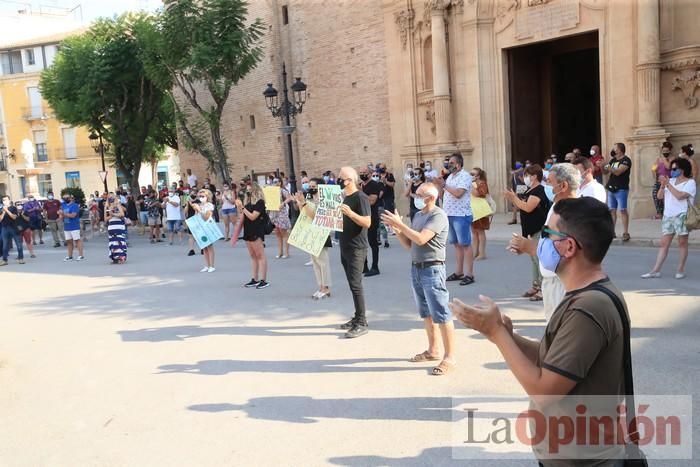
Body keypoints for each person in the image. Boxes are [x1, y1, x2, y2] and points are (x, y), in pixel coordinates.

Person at [450, 197, 628, 466]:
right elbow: (554, 362)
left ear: (568, 246)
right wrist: (507, 335)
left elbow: (545, 392)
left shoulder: (588, 308)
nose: (540, 242)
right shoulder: (586, 296)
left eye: (547, 234)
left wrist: (498, 334)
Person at [382, 182, 456, 376]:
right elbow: (410, 244)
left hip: (433, 269)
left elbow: (422, 239)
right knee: (426, 313)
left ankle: (449, 357)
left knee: (441, 313)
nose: (415, 196)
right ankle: (433, 350)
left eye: (419, 194)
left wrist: (400, 224)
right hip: (416, 268)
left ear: (431, 197)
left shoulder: (437, 215)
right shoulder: (419, 215)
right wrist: (397, 230)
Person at [508, 163, 580, 321]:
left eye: (550, 181)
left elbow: (561, 251)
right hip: (552, 281)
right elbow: (548, 239)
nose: (546, 184)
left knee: (558, 331)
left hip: (560, 282)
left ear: (563, 185)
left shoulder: (570, 212)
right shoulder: (558, 206)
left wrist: (532, 247)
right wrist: (526, 247)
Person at [642, 157, 696, 280]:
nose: (672, 171)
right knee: (664, 243)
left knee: (682, 243)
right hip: (668, 216)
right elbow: (659, 197)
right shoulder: (670, 181)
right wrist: (662, 186)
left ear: (683, 169)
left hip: (682, 215)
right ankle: (655, 270)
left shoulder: (690, 183)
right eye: (671, 169)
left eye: (675, 169)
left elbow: (680, 196)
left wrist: (668, 185)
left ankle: (680, 269)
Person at [503, 164, 550, 301]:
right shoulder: (530, 190)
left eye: (527, 175)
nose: (525, 178)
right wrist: (515, 198)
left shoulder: (539, 191)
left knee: (538, 259)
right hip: (531, 230)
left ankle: (543, 288)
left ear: (535, 176)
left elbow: (528, 208)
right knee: (533, 259)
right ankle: (536, 285)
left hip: (539, 229)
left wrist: (513, 198)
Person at [337, 166, 372, 338]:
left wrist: (350, 214)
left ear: (350, 180)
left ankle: (362, 321)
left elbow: (367, 222)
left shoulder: (361, 197)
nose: (339, 180)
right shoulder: (345, 197)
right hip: (345, 244)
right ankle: (357, 316)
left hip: (357, 247)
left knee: (356, 285)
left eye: (341, 178)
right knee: (352, 284)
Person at [435, 152, 475, 286]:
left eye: (451, 163)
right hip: (449, 214)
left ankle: (469, 274)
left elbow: (458, 193)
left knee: (465, 244)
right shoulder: (450, 177)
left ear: (458, 164)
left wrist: (444, 185)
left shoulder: (465, 176)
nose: (448, 165)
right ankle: (459, 272)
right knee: (456, 244)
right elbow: (441, 196)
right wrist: (439, 185)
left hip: (461, 215)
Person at [294, 179, 333, 299]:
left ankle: (326, 287)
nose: (310, 188)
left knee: (323, 262)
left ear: (320, 186)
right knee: (315, 262)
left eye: (313, 186)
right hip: (311, 232)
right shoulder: (309, 198)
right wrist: (300, 202)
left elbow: (316, 216)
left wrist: (304, 204)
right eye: (309, 186)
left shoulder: (325, 200)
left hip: (321, 232)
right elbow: (304, 214)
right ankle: (320, 286)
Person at [235, 183, 269, 288]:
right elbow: (243, 216)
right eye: (247, 191)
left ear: (256, 191)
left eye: (250, 190)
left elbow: (253, 217)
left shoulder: (260, 202)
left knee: (260, 255)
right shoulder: (248, 203)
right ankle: (254, 278)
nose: (248, 192)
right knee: (253, 256)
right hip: (248, 230)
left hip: (256, 230)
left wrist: (242, 208)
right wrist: (240, 208)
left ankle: (263, 279)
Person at [604, 142, 632, 241]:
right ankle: (612, 231)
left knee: (623, 210)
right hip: (611, 188)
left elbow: (618, 172)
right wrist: (602, 166)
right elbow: (605, 172)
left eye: (615, 148)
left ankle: (625, 232)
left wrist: (607, 166)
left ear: (620, 150)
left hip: (621, 188)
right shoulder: (613, 160)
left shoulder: (626, 160)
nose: (613, 150)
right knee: (612, 210)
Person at [359, 166, 382, 276]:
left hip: (371, 217)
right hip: (361, 218)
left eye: (365, 172)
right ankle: (364, 266)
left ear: (370, 174)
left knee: (373, 243)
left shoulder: (374, 185)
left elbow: (371, 201)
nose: (362, 174)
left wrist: (360, 192)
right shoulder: (361, 185)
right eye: (361, 172)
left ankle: (375, 267)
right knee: (362, 243)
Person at [192, 189, 217, 273]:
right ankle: (207, 265)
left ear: (207, 197)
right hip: (200, 227)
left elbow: (207, 217)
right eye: (199, 196)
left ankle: (212, 266)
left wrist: (199, 210)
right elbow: (196, 217)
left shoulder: (209, 205)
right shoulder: (199, 205)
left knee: (209, 247)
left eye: (203, 196)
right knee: (204, 247)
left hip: (207, 227)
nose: (201, 198)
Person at [470, 167, 491, 261]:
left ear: (478, 176)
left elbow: (477, 194)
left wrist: (470, 185)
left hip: (480, 211)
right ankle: (475, 252)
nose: (470, 176)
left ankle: (482, 253)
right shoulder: (472, 183)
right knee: (474, 232)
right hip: (473, 211)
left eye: (473, 174)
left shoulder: (481, 183)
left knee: (480, 232)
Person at [270, 178, 292, 259]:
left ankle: (286, 252)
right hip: (274, 213)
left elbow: (289, 198)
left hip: (282, 213)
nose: (275, 183)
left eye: (276, 182)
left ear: (280, 182)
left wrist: (283, 203)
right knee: (278, 233)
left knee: (284, 233)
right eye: (274, 182)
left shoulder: (283, 190)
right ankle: (280, 252)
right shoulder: (272, 191)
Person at [652, 142, 675, 219]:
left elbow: (668, 167)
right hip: (659, 180)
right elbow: (654, 168)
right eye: (663, 151)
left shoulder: (672, 158)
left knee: (667, 197)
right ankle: (659, 212)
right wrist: (654, 173)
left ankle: (667, 212)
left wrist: (664, 159)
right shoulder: (658, 159)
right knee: (655, 194)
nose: (665, 152)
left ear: (670, 151)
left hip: (668, 181)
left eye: (666, 150)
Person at [59, 193, 84, 261]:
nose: (65, 199)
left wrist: (63, 214)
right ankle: (70, 256)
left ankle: (81, 255)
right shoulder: (63, 205)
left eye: (67, 198)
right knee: (69, 242)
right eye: (64, 198)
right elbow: (61, 216)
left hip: (74, 226)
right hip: (66, 226)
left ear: (70, 198)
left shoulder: (75, 205)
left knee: (77, 240)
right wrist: (60, 215)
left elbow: (73, 215)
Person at [0, 195, 24, 266]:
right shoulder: (1, 209)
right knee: (5, 245)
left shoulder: (13, 208)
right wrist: (4, 211)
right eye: (3, 200)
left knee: (18, 244)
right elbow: (0, 219)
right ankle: (4, 260)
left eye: (6, 199)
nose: (4, 201)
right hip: (5, 228)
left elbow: (14, 217)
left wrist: (7, 210)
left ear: (9, 200)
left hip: (13, 228)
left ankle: (21, 258)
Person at [105, 195, 127, 264]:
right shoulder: (106, 207)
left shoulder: (118, 205)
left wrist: (114, 214)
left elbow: (122, 214)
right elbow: (105, 219)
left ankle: (121, 256)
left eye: (113, 199)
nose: (112, 201)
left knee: (120, 240)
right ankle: (115, 257)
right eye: (110, 199)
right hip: (111, 226)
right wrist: (111, 214)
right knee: (113, 242)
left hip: (119, 225)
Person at [378, 163, 396, 246]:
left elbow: (392, 184)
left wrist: (385, 181)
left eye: (382, 168)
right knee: (382, 213)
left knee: (390, 211)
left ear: (385, 168)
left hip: (389, 196)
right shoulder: (377, 176)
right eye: (380, 168)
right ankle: (385, 227)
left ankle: (392, 228)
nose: (381, 170)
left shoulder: (389, 175)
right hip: (381, 198)